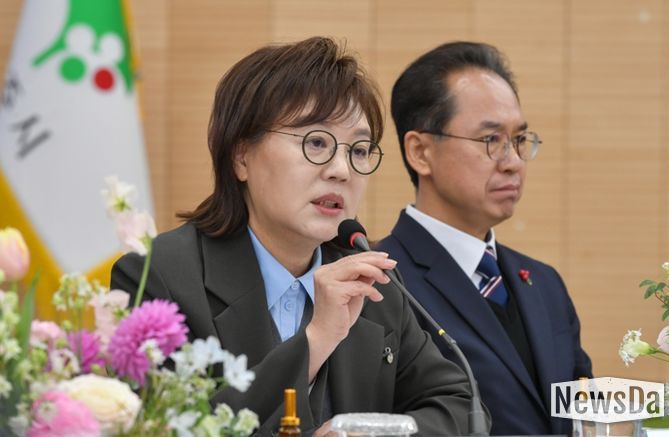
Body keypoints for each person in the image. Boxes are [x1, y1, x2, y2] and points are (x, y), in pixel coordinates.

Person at [111, 37, 484, 436]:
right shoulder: (159, 277)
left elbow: (463, 409)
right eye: (316, 142)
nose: (342, 170)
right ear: (241, 156)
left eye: (359, 150)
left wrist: (370, 432)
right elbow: (165, 427)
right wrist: (316, 340)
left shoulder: (374, 285)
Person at [377, 41, 593, 436]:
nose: (513, 162)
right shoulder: (381, 281)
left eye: (520, 140)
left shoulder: (544, 283)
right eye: (491, 140)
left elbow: (580, 413)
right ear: (420, 152)